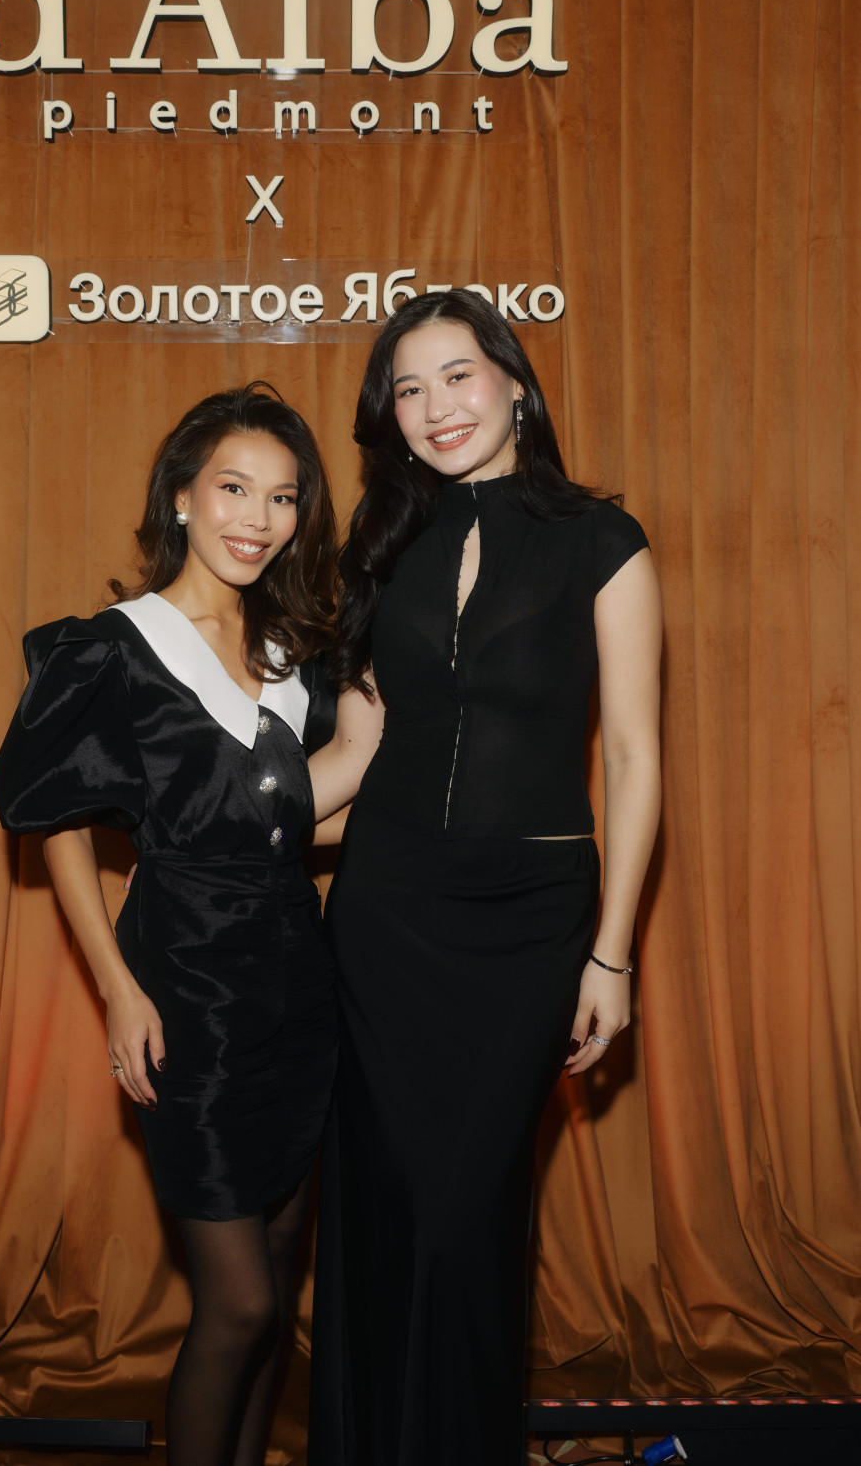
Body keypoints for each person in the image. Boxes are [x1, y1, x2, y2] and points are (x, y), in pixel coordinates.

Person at [306, 290, 663, 1466]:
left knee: (465, 1211)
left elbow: (634, 757)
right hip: (384, 918)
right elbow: (354, 751)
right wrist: (215, 817)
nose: (436, 407)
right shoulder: (378, 545)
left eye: (457, 375)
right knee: (386, 1203)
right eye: (408, 389)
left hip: (528, 925)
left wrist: (612, 953)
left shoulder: (603, 540)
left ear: (514, 382)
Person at [0, 383, 340, 1466]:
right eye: (234, 487)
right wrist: (118, 987)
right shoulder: (117, 646)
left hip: (299, 978)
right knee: (238, 1303)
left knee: (278, 1284)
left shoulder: (295, 650)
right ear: (182, 496)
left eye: (282, 497)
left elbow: (290, 820)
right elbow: (55, 819)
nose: (257, 517)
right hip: (187, 980)